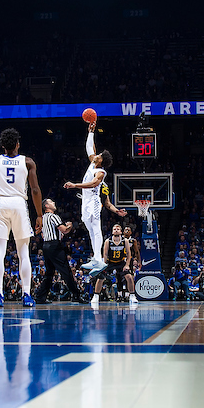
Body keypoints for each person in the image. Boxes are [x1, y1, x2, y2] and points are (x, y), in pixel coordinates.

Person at [0, 129, 43, 308]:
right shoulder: (28, 162)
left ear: (3, 145)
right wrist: (39, 214)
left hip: (1, 203)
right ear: (18, 144)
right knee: (23, 253)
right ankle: (26, 294)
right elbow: (34, 190)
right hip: (19, 203)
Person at [65, 120, 125, 276]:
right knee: (90, 230)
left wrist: (75, 185)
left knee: (96, 229)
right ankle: (96, 258)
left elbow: (92, 184)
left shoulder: (101, 172)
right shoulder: (93, 164)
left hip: (94, 201)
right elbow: (88, 147)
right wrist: (91, 131)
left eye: (98, 155)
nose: (95, 155)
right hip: (85, 201)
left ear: (101, 161)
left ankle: (99, 260)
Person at [33, 198, 84, 304]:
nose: (54, 203)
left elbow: (40, 233)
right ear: (46, 206)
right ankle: (76, 295)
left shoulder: (42, 218)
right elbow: (64, 230)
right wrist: (69, 226)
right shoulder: (53, 216)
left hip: (46, 246)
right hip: (54, 245)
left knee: (49, 273)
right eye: (51, 202)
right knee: (66, 271)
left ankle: (40, 297)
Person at [93, 223, 137, 306]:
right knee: (101, 277)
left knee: (129, 276)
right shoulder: (108, 241)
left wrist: (127, 265)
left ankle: (132, 295)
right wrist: (104, 265)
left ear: (121, 232)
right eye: (114, 229)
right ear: (112, 231)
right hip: (110, 262)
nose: (116, 230)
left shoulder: (125, 241)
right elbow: (105, 254)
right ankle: (96, 296)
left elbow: (129, 254)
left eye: (117, 229)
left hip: (121, 262)